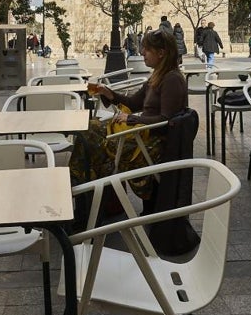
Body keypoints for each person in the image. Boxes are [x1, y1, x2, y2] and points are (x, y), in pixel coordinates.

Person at [69, 28, 187, 199]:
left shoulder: (172, 79)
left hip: (149, 144)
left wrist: (131, 118)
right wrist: (109, 93)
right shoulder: (158, 76)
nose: (142, 52)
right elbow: (133, 103)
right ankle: (85, 191)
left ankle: (80, 190)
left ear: (161, 53)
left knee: (89, 135)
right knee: (89, 131)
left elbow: (166, 120)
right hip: (139, 135)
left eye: (147, 49)